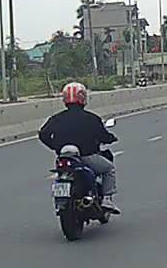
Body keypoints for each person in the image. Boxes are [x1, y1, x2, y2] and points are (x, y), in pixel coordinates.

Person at [37, 82, 120, 214]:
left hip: (63, 158)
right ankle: (107, 199)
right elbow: (103, 135)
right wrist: (111, 138)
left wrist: (55, 146)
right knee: (109, 169)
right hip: (86, 157)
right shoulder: (91, 118)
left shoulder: (56, 118)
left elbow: (43, 134)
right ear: (83, 98)